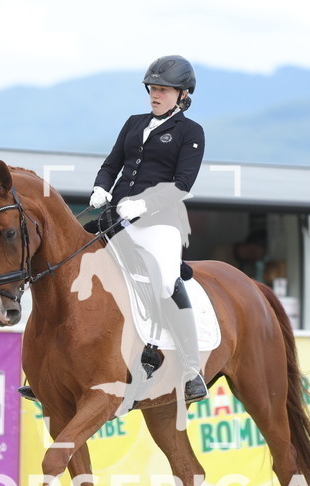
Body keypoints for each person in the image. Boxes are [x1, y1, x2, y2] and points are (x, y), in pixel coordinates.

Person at [92, 54, 207, 403]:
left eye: (163, 90)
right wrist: (101, 186)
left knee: (165, 280)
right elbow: (112, 162)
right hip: (117, 218)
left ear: (183, 94)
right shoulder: (134, 122)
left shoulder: (191, 132)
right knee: (79, 271)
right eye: (152, 88)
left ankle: (190, 368)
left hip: (159, 223)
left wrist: (144, 204)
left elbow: (183, 183)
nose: (155, 95)